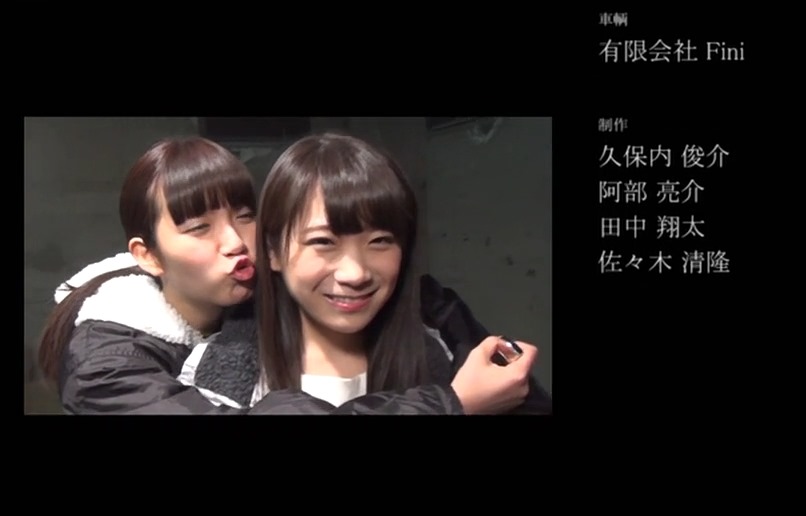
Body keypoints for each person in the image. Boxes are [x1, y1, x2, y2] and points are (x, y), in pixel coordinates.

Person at [37, 136, 534, 414]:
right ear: (147, 255)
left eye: (244, 216)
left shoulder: (432, 331)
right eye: (198, 227)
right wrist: (452, 404)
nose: (236, 243)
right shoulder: (114, 360)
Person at [184, 133, 552, 414]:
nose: (355, 273)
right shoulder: (214, 374)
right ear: (272, 252)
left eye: (380, 241)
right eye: (323, 242)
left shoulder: (446, 355)